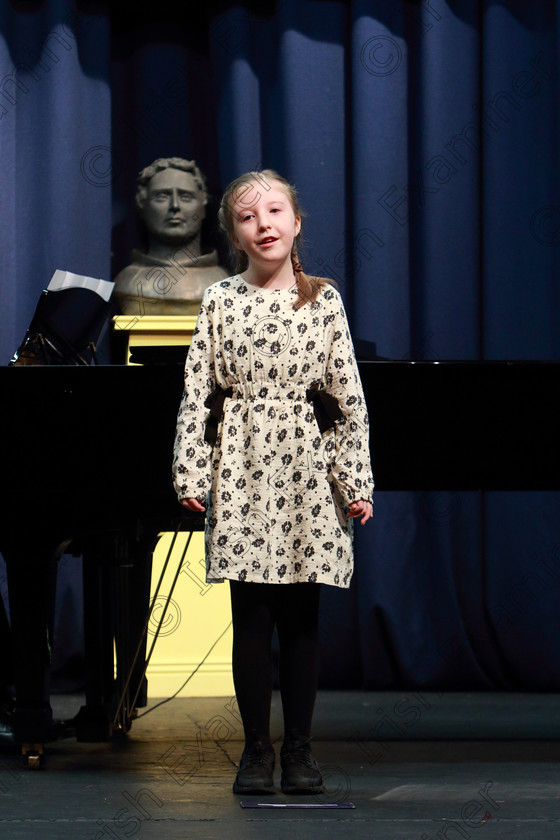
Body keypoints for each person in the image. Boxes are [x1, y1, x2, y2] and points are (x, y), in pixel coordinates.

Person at [172, 169, 373, 795]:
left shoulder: (324, 301)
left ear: (296, 222)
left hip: (304, 474)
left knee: (302, 620)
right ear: (234, 232)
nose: (264, 225)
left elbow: (347, 399)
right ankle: (255, 749)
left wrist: (354, 479)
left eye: (275, 211)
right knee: (252, 618)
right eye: (248, 217)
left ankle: (301, 751)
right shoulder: (221, 301)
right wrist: (191, 467)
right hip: (242, 468)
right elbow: (196, 394)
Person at [113, 157, 228, 316]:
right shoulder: (126, 282)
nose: (174, 205)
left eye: (185, 197)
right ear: (142, 205)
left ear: (203, 206)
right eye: (162, 196)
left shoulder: (223, 284)